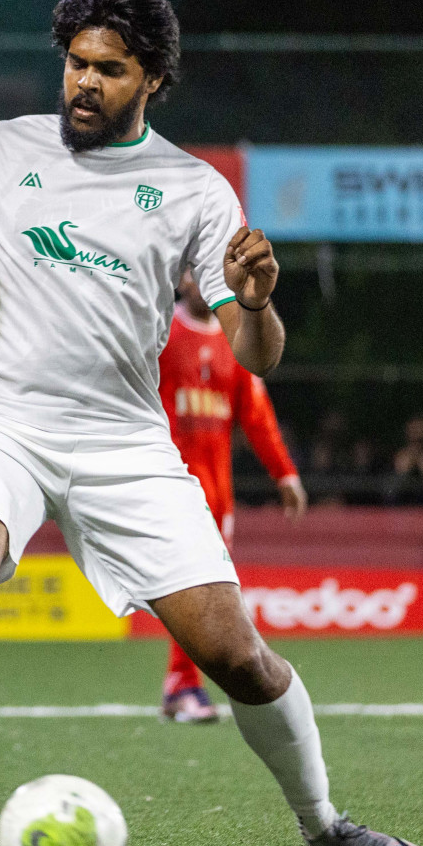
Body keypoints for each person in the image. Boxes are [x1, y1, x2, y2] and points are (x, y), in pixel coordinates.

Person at [0, 0, 423, 846]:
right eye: (75, 64)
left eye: (109, 70)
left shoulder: (192, 188)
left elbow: (257, 354)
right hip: (0, 419)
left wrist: (255, 300)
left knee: (237, 657)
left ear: (153, 79)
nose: (83, 83)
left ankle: (327, 827)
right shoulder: (1, 149)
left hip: (127, 442)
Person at [157, 266, 306, 723]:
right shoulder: (158, 333)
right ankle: (182, 685)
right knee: (187, 586)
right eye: (195, 270)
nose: (204, 279)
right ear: (182, 279)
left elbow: (256, 415)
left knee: (203, 587)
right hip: (161, 482)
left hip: (216, 495)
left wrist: (285, 474)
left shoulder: (235, 339)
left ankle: (183, 686)